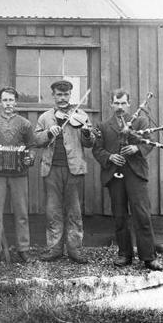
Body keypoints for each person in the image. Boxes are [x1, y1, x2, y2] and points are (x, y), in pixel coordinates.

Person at [92, 89, 163, 271]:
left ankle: (148, 257)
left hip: (135, 174)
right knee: (120, 216)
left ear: (129, 104)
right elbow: (97, 150)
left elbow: (149, 142)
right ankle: (125, 254)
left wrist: (136, 149)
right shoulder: (102, 126)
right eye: (116, 103)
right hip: (115, 176)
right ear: (111, 104)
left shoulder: (140, 121)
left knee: (141, 214)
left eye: (123, 103)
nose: (120, 107)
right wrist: (109, 157)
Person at [34, 80, 95, 264]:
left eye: (66, 94)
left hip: (73, 169)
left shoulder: (81, 115)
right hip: (51, 169)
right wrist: (48, 133)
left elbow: (90, 143)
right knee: (53, 211)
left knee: (74, 211)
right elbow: (36, 139)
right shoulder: (45, 117)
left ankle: (75, 250)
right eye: (59, 94)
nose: (62, 98)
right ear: (53, 95)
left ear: (70, 95)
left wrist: (86, 133)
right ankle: (54, 249)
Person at [0, 87, 36, 264]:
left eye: (11, 100)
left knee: (21, 213)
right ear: (0, 102)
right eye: (5, 100)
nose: (8, 104)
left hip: (19, 174)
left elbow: (32, 146)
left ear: (16, 102)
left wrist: (29, 158)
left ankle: (24, 249)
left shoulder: (25, 124)